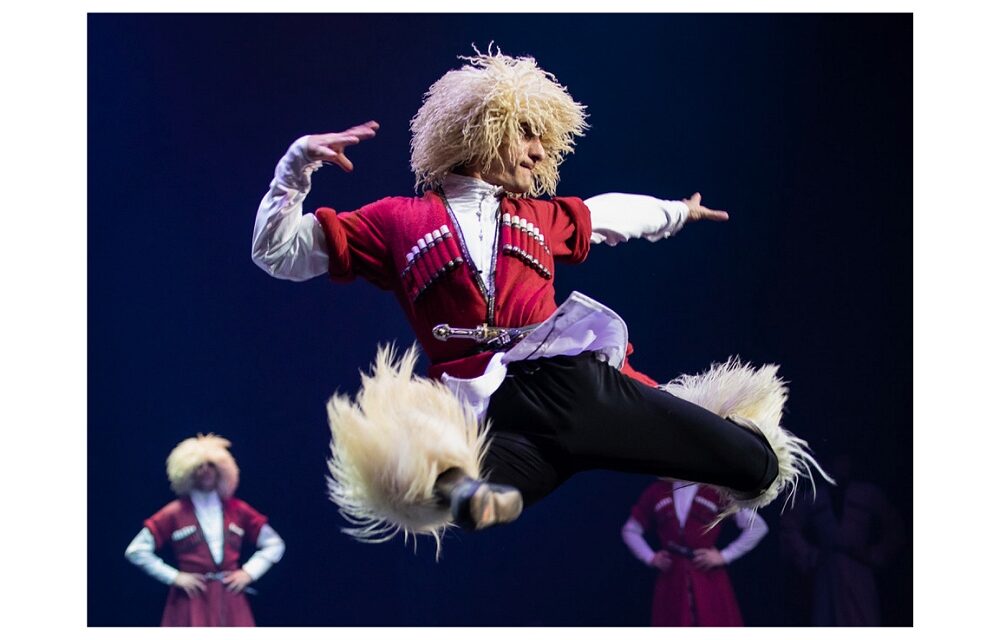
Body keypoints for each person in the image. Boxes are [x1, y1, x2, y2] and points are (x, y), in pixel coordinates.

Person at [252, 48, 828, 552]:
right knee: (449, 485)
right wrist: (294, 168)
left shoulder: (537, 215)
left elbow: (610, 215)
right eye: (526, 133)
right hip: (499, 417)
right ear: (482, 129)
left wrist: (678, 211)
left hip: (579, 391)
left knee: (760, 464)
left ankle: (493, 488)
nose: (538, 152)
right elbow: (278, 254)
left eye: (542, 142)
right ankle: (478, 495)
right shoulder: (396, 221)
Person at [124, 434, 286, 626]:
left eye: (211, 465)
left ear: (222, 470)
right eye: (199, 467)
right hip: (192, 600)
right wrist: (174, 577)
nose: (206, 471)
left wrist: (249, 573)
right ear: (187, 472)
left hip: (230, 599)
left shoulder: (238, 510)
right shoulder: (174, 513)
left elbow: (274, 543)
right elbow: (136, 550)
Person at [622, 479, 768, 626]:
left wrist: (724, 556)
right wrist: (651, 557)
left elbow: (757, 527)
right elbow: (630, 530)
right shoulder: (657, 491)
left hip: (708, 578)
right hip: (672, 580)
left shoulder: (715, 491)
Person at [780, 453, 903, 626]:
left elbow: (894, 526)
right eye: (834, 461)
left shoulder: (867, 494)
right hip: (827, 572)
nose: (839, 466)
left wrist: (875, 555)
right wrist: (811, 556)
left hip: (859, 569)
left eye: (843, 461)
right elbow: (789, 525)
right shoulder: (814, 497)